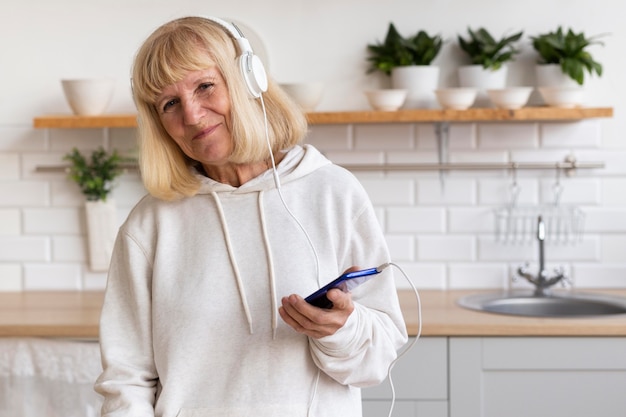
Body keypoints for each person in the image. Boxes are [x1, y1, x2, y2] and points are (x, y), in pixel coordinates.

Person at [94, 15, 408, 417]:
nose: (191, 115)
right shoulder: (149, 225)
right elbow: (126, 381)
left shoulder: (333, 193)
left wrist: (342, 331)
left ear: (248, 80)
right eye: (169, 104)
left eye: (205, 86)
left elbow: (376, 361)